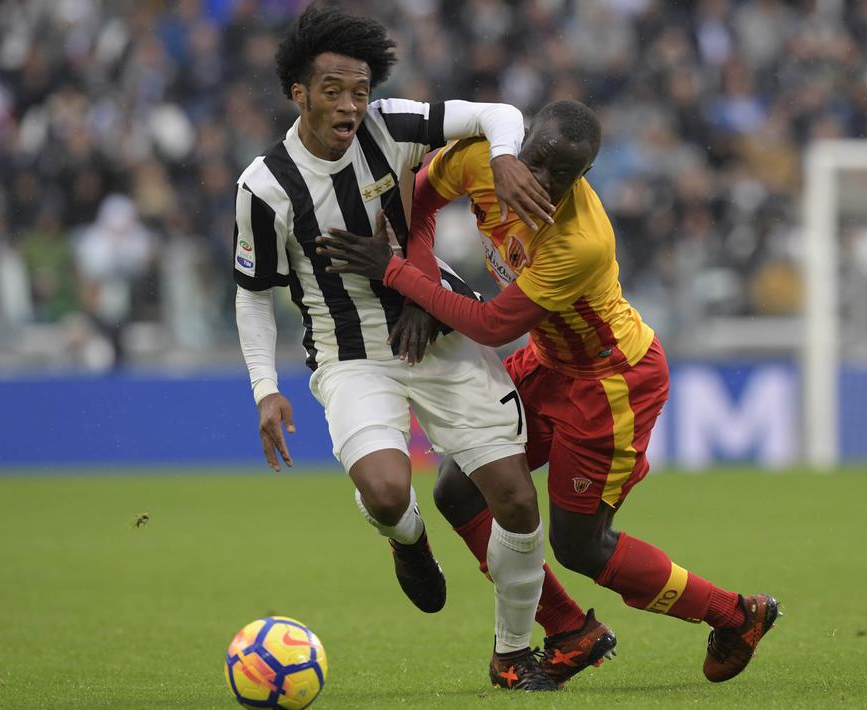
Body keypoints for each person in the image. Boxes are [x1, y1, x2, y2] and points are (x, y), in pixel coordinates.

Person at [316, 99, 781, 683]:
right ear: (522, 139)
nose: (541, 182)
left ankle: (736, 615)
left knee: (580, 545)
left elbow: (490, 326)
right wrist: (419, 285)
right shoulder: (484, 160)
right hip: (548, 361)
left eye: (562, 175)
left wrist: (395, 273)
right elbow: (418, 201)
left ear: (584, 177)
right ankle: (570, 631)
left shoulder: (579, 240)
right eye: (535, 161)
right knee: (459, 491)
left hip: (610, 382)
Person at [233, 4, 562, 691]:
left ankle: (510, 655)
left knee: (518, 504)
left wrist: (503, 160)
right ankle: (407, 541)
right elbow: (253, 292)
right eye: (333, 91)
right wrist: (265, 387)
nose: (351, 104)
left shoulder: (392, 123)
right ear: (298, 93)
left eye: (359, 89)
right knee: (385, 491)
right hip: (348, 352)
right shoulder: (265, 188)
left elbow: (499, 112)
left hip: (437, 333)